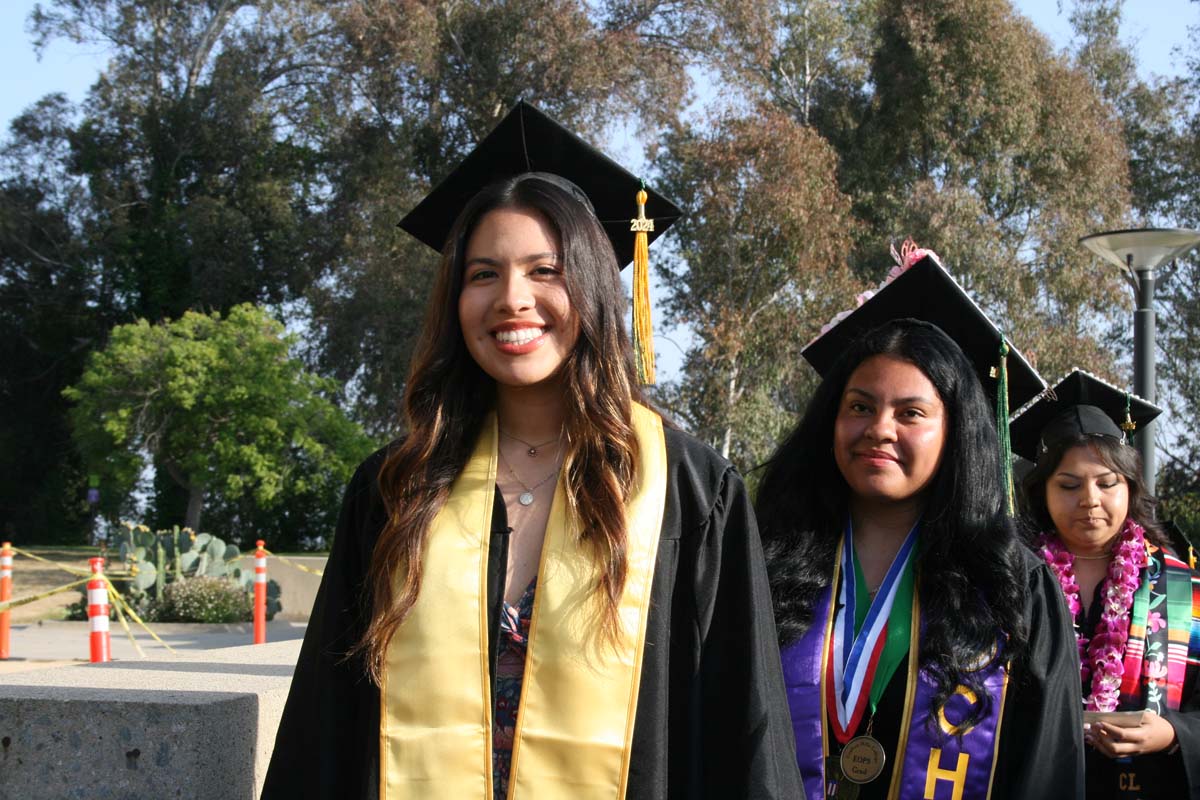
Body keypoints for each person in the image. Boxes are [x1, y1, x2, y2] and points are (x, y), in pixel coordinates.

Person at [261, 102, 803, 800]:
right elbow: (325, 725)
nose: (512, 299)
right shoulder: (397, 485)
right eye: (483, 274)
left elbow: (743, 728)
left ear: (596, 288)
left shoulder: (690, 489)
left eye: (545, 271)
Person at [758, 245, 1085, 799]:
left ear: (954, 433)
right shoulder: (766, 562)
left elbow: (1044, 773)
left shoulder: (1010, 586)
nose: (879, 428)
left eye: (910, 413)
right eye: (859, 406)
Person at [1012, 368, 1200, 798]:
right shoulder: (1013, 580)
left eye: (1107, 482)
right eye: (1069, 484)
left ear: (1130, 488)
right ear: (1042, 492)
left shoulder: (1183, 588)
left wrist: (1172, 734)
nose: (1089, 500)